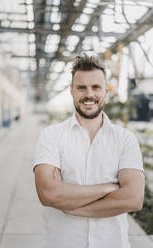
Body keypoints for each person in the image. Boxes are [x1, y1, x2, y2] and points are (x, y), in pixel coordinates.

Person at [33, 54, 145, 248]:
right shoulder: (51, 136)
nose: (89, 94)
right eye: (81, 87)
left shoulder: (125, 140)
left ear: (106, 92)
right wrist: (109, 188)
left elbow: (133, 198)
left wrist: (70, 205)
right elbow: (48, 193)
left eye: (96, 87)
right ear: (72, 91)